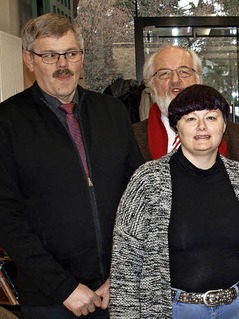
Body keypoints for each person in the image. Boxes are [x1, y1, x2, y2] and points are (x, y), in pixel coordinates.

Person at [0, 13, 143, 318]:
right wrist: (64, 287)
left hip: (116, 291)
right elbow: (6, 217)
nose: (62, 65)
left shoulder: (114, 113)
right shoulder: (7, 123)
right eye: (50, 55)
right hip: (49, 299)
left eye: (71, 53)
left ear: (82, 57)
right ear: (29, 60)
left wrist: (122, 272)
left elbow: (137, 199)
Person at [109, 84, 239, 318]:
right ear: (176, 125)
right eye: (190, 118)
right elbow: (125, 267)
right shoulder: (147, 181)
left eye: (211, 117)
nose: (201, 127)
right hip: (173, 311)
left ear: (224, 124)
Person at [133, 45, 239, 168]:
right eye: (164, 73)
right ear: (151, 83)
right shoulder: (131, 138)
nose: (175, 80)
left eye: (184, 72)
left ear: (198, 78)